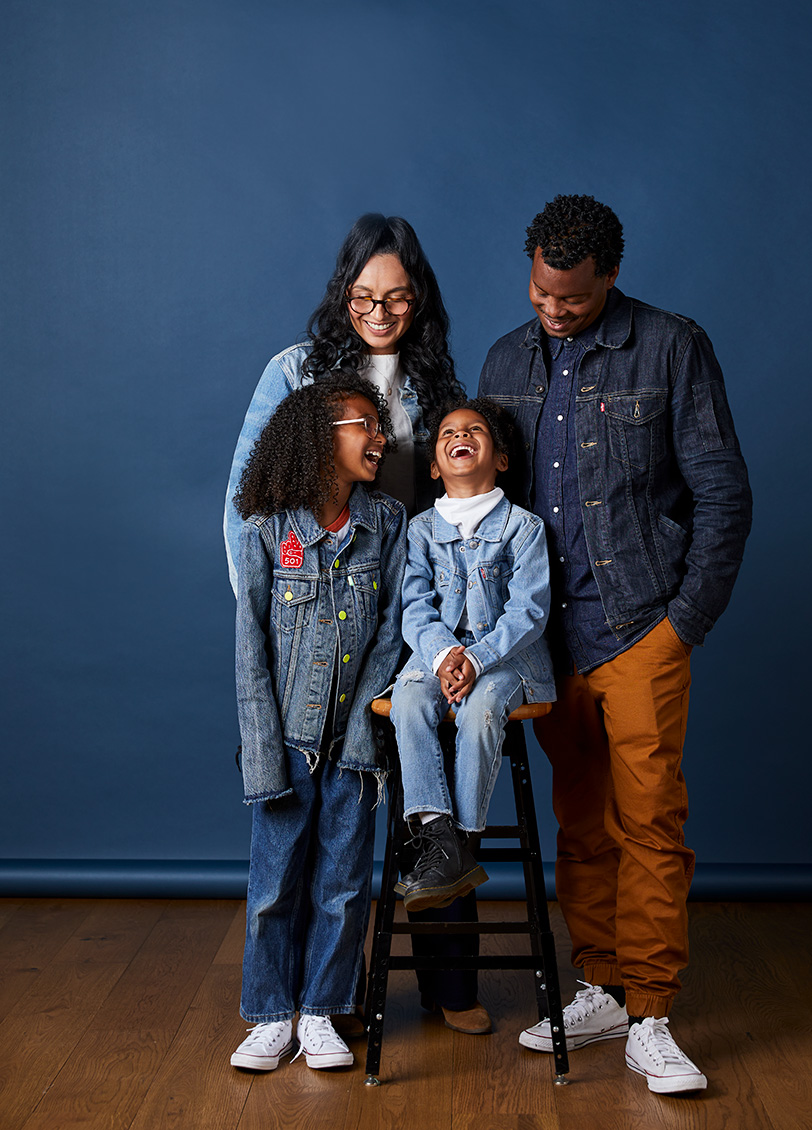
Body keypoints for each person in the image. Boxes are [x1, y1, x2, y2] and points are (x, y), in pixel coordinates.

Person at [478, 195, 752, 1095]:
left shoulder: (672, 347)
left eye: (573, 299)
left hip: (639, 630)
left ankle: (652, 1014)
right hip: (543, 639)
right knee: (580, 823)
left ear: (611, 277)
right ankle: (598, 981)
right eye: (540, 293)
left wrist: (683, 627)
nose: (552, 312)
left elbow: (723, 495)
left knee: (651, 824)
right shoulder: (505, 357)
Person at [224, 214, 490, 1036]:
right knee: (323, 815)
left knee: (427, 793)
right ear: (344, 294)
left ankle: (449, 985)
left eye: (399, 299)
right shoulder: (295, 372)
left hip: (421, 621)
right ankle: (296, 1006)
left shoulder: (435, 383)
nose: (380, 313)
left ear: (420, 303)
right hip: (319, 621)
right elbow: (246, 504)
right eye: (365, 296)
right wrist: (268, 619)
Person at [230, 374, 406, 1072]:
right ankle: (271, 1012)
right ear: (321, 437)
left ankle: (324, 1009)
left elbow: (393, 632)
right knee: (274, 885)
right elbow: (250, 650)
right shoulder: (266, 532)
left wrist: (366, 727)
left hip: (355, 742)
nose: (380, 439)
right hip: (287, 743)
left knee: (342, 882)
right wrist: (262, 753)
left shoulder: (387, 523)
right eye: (366, 425)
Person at [390, 399, 555, 911]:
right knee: (407, 702)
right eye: (448, 433)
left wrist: (476, 659)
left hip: (506, 660)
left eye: (475, 430)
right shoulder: (419, 530)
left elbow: (528, 611)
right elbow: (414, 607)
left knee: (482, 709)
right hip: (435, 659)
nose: (461, 434)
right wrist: (443, 658)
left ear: (500, 458)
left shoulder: (523, 528)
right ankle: (439, 837)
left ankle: (462, 844)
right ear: (435, 466)